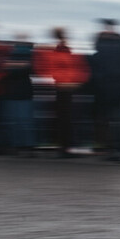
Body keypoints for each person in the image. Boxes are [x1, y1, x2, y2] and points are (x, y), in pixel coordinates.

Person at [91, 18, 120, 162]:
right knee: (111, 121)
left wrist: (115, 74)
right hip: (107, 88)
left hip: (113, 88)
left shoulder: (107, 42)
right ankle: (115, 149)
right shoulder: (115, 42)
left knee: (118, 120)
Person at [42, 27, 89, 157]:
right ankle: (65, 147)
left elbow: (78, 68)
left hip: (65, 87)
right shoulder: (63, 53)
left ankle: (66, 147)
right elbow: (76, 68)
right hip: (65, 88)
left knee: (65, 119)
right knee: (66, 119)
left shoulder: (61, 52)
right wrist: (75, 80)